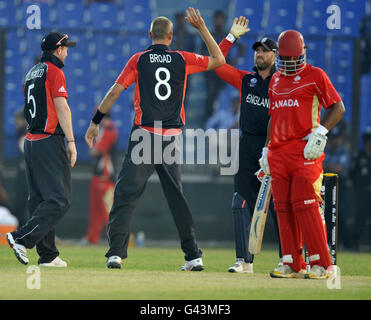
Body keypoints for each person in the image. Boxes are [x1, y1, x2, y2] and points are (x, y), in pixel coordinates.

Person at [85, 8, 225, 269]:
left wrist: (95, 122)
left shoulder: (138, 60)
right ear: (171, 37)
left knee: (126, 194)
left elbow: (115, 91)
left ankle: (116, 253)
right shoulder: (182, 59)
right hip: (171, 138)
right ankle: (193, 256)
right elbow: (219, 59)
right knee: (177, 199)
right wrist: (203, 28)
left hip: (144, 137)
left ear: (150, 35)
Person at [259, 30, 345, 279]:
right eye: (285, 59)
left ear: (303, 53)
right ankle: (292, 263)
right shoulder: (275, 80)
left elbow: (338, 106)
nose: (289, 63)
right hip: (278, 152)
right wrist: (266, 147)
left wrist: (321, 131)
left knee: (306, 204)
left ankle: (323, 264)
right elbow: (273, 116)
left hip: (305, 150)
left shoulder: (315, 75)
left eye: (293, 58)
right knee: (282, 207)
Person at [213, 17, 282, 273]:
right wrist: (231, 37)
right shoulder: (246, 80)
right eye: (257, 51)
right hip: (247, 146)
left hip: (274, 148)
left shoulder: (282, 82)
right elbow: (218, 65)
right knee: (240, 201)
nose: (260, 54)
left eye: (265, 51)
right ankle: (244, 261)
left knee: (277, 205)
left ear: (275, 55)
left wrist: (273, 147)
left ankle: (287, 259)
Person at [6, 32, 77, 267]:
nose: (67, 52)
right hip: (48, 140)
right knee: (59, 200)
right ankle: (20, 238)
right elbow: (62, 107)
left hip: (31, 139)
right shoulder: (55, 71)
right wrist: (71, 142)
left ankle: (48, 255)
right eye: (66, 48)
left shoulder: (31, 73)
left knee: (39, 199)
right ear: (58, 50)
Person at [79, 112, 118, 245]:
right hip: (98, 177)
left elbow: (96, 151)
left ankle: (115, 240)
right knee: (95, 212)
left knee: (108, 212)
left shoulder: (110, 130)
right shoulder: (104, 131)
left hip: (106, 178)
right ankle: (92, 238)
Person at [201, 11, 246, 126]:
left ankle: (225, 122)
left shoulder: (228, 35)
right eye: (217, 19)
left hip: (225, 69)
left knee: (225, 95)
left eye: (221, 19)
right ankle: (208, 122)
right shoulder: (209, 34)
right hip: (211, 72)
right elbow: (202, 52)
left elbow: (242, 47)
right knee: (210, 97)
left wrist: (235, 60)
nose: (219, 21)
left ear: (224, 20)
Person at [349, 130, 371, 251]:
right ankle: (355, 245)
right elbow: (351, 174)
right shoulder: (358, 157)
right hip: (361, 194)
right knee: (360, 219)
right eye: (368, 141)